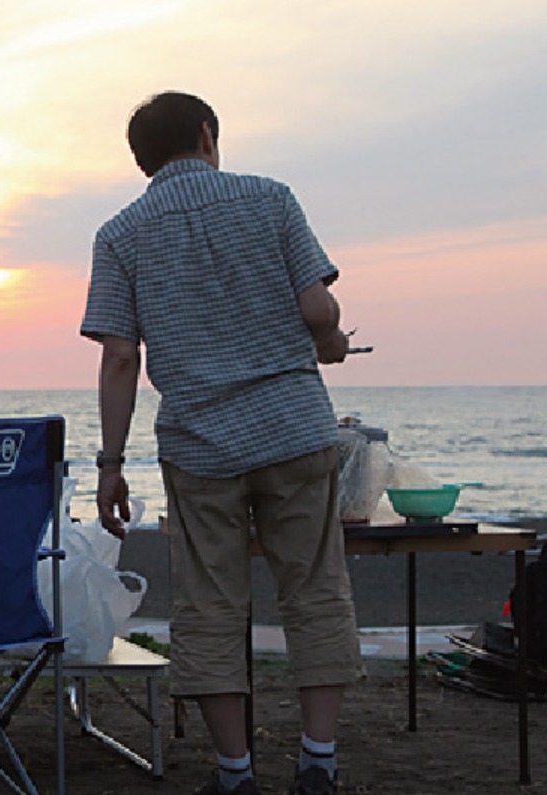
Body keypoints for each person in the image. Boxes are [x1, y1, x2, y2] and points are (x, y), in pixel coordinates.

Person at [81, 92, 364, 795]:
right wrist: (329, 342)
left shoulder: (120, 234)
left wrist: (110, 464)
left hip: (200, 443)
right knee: (316, 591)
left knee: (209, 605)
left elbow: (121, 357)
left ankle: (235, 773)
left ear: (142, 159)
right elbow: (316, 308)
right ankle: (318, 763)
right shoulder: (270, 200)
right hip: (294, 428)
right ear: (207, 136)